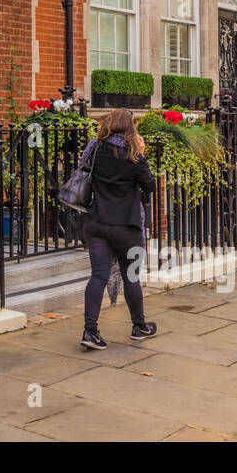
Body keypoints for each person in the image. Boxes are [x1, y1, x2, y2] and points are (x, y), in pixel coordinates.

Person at [80, 109, 158, 350]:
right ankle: (139, 327)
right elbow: (150, 185)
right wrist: (141, 153)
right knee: (131, 277)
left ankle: (90, 332)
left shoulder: (94, 149)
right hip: (127, 226)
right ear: (130, 128)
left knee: (98, 276)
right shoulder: (134, 156)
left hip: (97, 223)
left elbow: (83, 171)